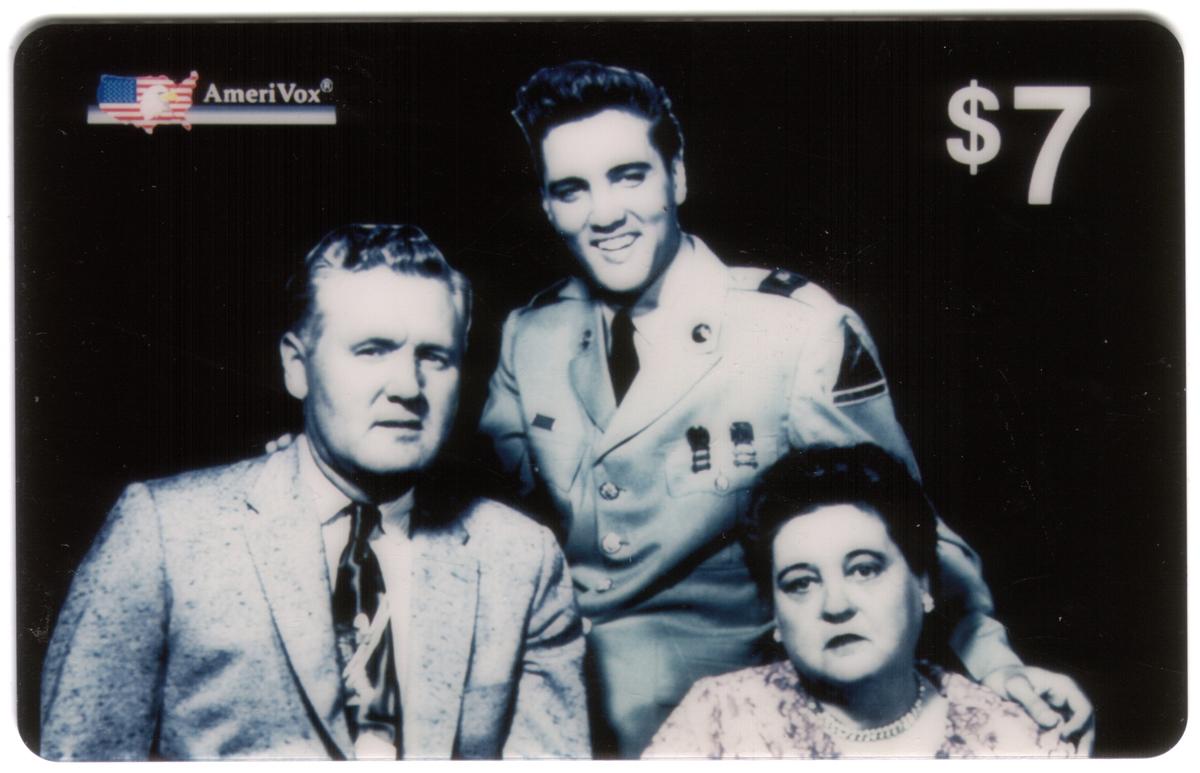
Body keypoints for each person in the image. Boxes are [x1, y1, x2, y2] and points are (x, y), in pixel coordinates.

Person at [478, 60, 1091, 757]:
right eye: (572, 189)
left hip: (732, 718)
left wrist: (995, 660)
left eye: (629, 176)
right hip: (555, 701)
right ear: (547, 205)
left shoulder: (795, 333)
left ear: (677, 177)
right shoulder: (530, 336)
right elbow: (503, 536)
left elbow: (906, 527)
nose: (605, 214)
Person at [40, 224, 590, 760]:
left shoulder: (523, 559)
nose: (407, 386)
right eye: (372, 350)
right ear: (297, 367)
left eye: (434, 356)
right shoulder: (165, 534)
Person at [644, 445, 1088, 758]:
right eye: (801, 583)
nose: (835, 605)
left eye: (863, 570)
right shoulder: (717, 718)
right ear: (775, 615)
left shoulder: (1012, 735)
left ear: (922, 585)